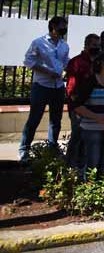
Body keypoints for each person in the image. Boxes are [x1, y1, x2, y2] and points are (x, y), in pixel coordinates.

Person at [19, 16, 70, 163]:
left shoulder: (64, 45)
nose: (63, 29)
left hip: (58, 87)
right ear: (53, 26)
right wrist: (47, 72)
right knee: (34, 118)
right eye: (61, 26)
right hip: (41, 86)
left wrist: (65, 71)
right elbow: (28, 61)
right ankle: (24, 150)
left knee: (56, 120)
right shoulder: (39, 43)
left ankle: (52, 148)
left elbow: (65, 62)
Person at [71, 52, 104, 177]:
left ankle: (100, 187)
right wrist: (95, 117)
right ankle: (88, 186)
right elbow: (77, 106)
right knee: (92, 160)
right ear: (103, 64)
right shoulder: (90, 81)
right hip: (91, 128)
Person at [64, 33, 100, 170]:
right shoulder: (76, 62)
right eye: (94, 45)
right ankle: (70, 165)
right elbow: (71, 87)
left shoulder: (98, 62)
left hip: (94, 105)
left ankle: (83, 166)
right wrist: (76, 107)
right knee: (78, 135)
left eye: (98, 46)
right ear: (86, 45)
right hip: (79, 106)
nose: (96, 48)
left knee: (89, 137)